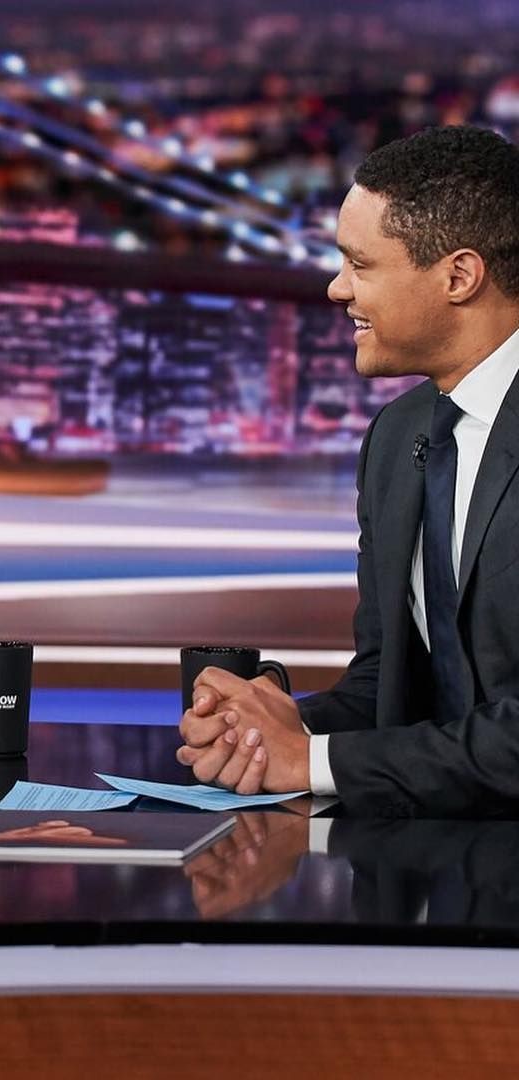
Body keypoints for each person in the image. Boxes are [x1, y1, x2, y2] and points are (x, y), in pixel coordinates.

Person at [178, 125, 519, 816]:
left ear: (459, 277)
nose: (337, 289)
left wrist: (312, 761)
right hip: (428, 859)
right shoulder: (396, 437)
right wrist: (275, 730)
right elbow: (387, 687)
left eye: (360, 264)